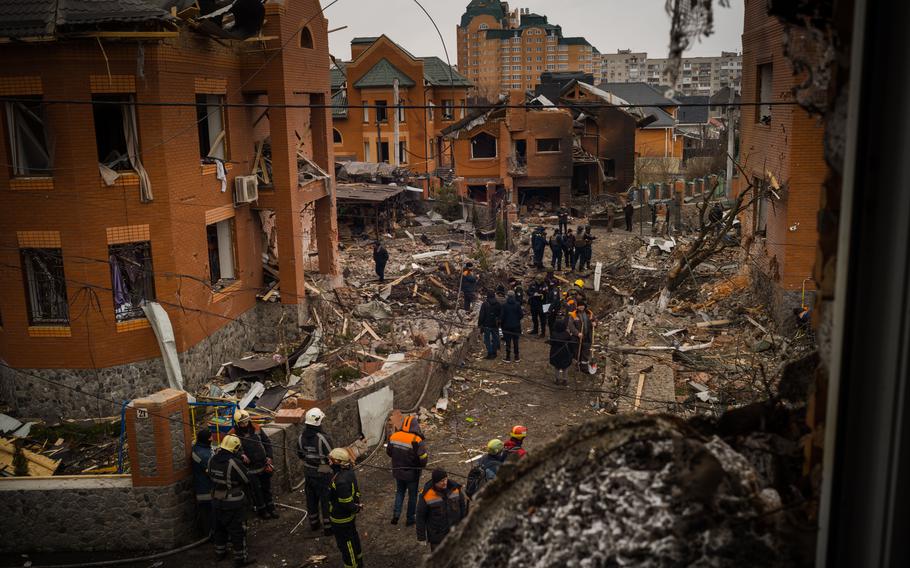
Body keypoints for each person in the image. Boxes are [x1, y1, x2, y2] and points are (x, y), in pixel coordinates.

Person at [207, 435, 254, 567]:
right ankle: (240, 559)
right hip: (233, 502)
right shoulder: (233, 463)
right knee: (237, 530)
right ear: (235, 449)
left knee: (219, 528)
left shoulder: (212, 460)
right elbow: (246, 478)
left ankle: (220, 553)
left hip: (216, 500)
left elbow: (210, 475)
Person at [230, 409, 277, 519]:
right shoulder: (233, 434)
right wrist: (241, 455)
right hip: (250, 469)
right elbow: (230, 450)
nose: (245, 424)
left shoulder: (256, 428)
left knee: (267, 488)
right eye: (242, 423)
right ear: (237, 423)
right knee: (257, 491)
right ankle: (262, 511)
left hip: (263, 464)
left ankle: (271, 508)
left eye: (246, 422)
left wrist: (269, 457)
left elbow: (267, 442)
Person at [387, 414, 428, 527]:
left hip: (398, 471)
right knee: (412, 496)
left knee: (400, 492)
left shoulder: (394, 436)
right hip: (412, 474)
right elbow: (423, 460)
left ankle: (396, 515)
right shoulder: (417, 440)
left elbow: (389, 452)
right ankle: (410, 519)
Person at [298, 407, 334, 535]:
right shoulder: (322, 438)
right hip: (323, 472)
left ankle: (314, 523)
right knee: (326, 499)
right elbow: (332, 455)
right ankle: (328, 527)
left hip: (308, 472)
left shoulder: (301, 437)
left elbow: (300, 455)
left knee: (311, 499)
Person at [416, 469, 468, 552]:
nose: (444, 483)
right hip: (437, 537)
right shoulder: (426, 495)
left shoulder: (455, 489)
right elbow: (420, 516)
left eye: (445, 479)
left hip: (455, 533)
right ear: (435, 482)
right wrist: (421, 537)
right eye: (441, 481)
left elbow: (462, 507)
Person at [328, 448, 363, 568]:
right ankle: (359, 562)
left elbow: (346, 503)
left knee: (347, 546)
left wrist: (355, 508)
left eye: (331, 460)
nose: (329, 463)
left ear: (338, 462)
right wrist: (357, 505)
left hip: (341, 520)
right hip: (348, 518)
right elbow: (356, 492)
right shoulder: (349, 472)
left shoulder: (340, 481)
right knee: (354, 539)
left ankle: (353, 565)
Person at [191, 429, 214, 539]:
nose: (213, 438)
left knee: (208, 514)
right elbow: (211, 471)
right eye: (211, 437)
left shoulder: (200, 449)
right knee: (208, 515)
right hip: (206, 490)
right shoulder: (203, 454)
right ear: (207, 439)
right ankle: (210, 535)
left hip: (205, 488)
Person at [568, 299, 595, 370]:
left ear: (584, 306)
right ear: (577, 307)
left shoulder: (589, 313)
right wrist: (577, 333)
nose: (581, 307)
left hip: (587, 336)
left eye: (582, 306)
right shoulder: (573, 314)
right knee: (577, 351)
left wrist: (595, 323)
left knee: (586, 351)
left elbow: (595, 320)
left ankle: (584, 365)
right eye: (579, 306)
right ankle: (577, 364)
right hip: (577, 337)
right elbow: (571, 326)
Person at [500, 290, 524, 363]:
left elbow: (502, 317)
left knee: (508, 342)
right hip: (516, 326)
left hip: (507, 326)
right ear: (514, 296)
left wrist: (502, 324)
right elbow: (521, 315)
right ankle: (517, 357)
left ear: (507, 296)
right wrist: (516, 320)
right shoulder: (517, 304)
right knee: (516, 341)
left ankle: (508, 357)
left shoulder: (504, 305)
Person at [477, 291, 502, 359]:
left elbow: (481, 315)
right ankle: (494, 352)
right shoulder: (498, 304)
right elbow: (500, 315)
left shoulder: (485, 304)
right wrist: (499, 323)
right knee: (495, 338)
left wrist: (479, 324)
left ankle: (490, 353)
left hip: (486, 325)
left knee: (487, 340)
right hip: (495, 325)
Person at [548, 318, 574, 385]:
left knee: (557, 367)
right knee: (565, 367)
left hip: (555, 353)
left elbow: (552, 343)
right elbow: (570, 344)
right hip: (565, 353)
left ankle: (557, 379)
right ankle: (565, 380)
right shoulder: (567, 334)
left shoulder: (553, 334)